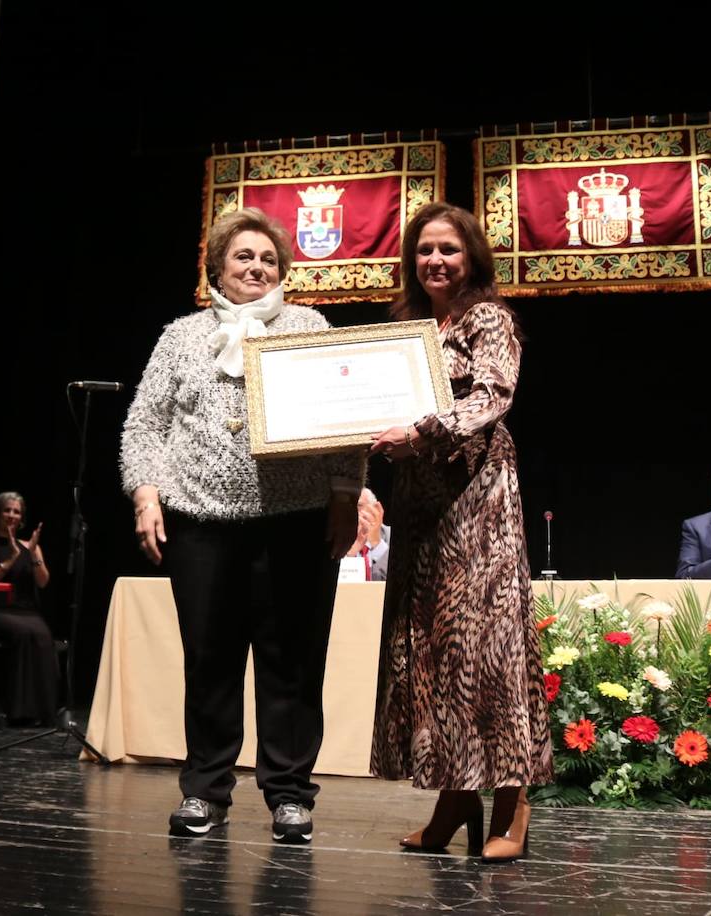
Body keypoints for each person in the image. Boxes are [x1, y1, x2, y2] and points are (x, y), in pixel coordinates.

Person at [121, 207, 361, 844]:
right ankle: (205, 792)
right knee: (210, 662)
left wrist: (345, 496)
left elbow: (345, 421)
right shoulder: (179, 336)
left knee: (292, 664)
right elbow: (144, 426)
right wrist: (146, 495)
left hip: (296, 522)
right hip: (200, 522)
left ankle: (289, 796)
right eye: (243, 258)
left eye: (269, 260)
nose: (257, 269)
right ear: (216, 269)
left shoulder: (309, 325)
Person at [368, 202, 552, 864]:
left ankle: (513, 800)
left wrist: (419, 432)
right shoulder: (410, 327)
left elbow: (493, 395)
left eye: (447, 249)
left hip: (477, 506)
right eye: (423, 250)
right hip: (420, 503)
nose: (435, 260)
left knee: (485, 649)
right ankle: (455, 797)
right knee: (433, 651)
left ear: (471, 255)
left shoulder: (488, 317)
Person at [0, 491, 58, 725]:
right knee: (23, 633)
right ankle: (18, 711)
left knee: (42, 635)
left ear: (22, 518)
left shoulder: (30, 547)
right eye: (7, 510)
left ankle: (42, 712)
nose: (11, 515)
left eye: (16, 511)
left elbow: (43, 581)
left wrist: (32, 554)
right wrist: (11, 558)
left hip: (26, 611)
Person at [342, 487, 390, 581]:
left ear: (375, 509)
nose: (352, 513)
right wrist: (350, 554)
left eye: (359, 505)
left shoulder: (392, 536)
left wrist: (376, 543)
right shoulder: (336, 538)